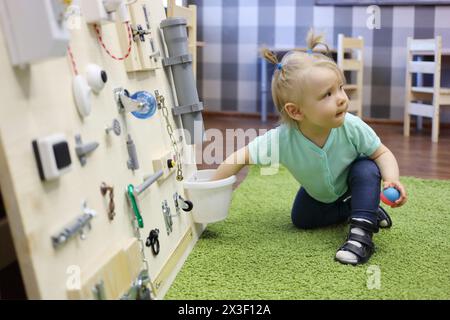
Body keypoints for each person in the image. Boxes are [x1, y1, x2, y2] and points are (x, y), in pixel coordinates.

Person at [211, 29, 407, 265]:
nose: (342, 98)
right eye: (327, 94)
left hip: (352, 184)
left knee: (366, 168)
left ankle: (361, 233)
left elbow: (382, 153)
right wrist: (211, 193)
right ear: (296, 111)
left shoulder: (351, 126)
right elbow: (239, 157)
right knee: (301, 219)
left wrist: (391, 179)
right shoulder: (281, 139)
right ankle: (362, 207)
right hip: (320, 195)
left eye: (341, 88)